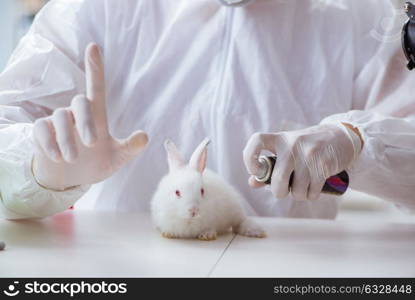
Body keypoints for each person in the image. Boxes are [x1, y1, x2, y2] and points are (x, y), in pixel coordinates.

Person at [0, 0, 414, 220]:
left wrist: (360, 144)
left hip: (288, 274)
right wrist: (44, 171)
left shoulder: (366, 17)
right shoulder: (95, 8)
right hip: (115, 272)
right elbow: (7, 124)